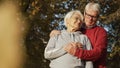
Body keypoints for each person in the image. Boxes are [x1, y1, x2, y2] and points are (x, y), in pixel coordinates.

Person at [50, 2, 108, 68]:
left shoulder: (101, 32)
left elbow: (98, 53)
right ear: (84, 13)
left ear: (98, 17)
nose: (90, 19)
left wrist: (76, 52)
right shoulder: (76, 28)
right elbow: (66, 38)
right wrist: (57, 32)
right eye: (88, 15)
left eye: (94, 17)